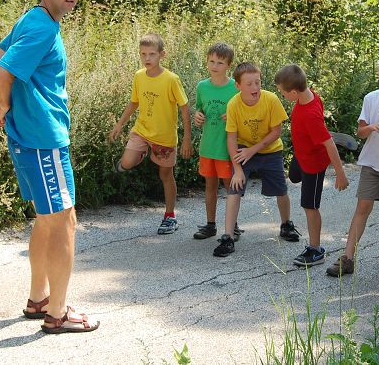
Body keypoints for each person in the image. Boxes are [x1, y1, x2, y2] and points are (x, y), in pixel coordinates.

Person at [0, 0, 99, 334]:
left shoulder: (34, 19)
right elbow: (2, 69)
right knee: (65, 221)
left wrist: (7, 106)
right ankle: (58, 313)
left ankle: (39, 299)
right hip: (43, 140)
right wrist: (3, 104)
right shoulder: (41, 27)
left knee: (46, 218)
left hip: (31, 138)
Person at [326, 52, 379, 277]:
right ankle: (348, 257)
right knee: (363, 206)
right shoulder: (372, 98)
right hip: (372, 162)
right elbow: (360, 132)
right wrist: (372, 127)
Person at [213, 62, 301, 257]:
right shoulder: (233, 104)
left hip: (270, 150)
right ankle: (228, 237)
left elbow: (276, 132)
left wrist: (252, 151)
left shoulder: (271, 99)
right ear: (238, 86)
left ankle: (286, 225)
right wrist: (237, 170)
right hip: (243, 149)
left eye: (257, 82)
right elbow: (231, 138)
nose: (255, 87)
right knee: (234, 188)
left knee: (281, 190)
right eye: (249, 84)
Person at [109, 33, 192, 235]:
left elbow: (184, 108)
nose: (147, 58)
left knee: (165, 175)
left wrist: (187, 139)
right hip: (142, 131)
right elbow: (134, 102)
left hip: (164, 138)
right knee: (126, 162)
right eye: (143, 54)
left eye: (152, 54)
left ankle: (170, 217)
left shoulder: (171, 79)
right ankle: (139, 153)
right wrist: (120, 124)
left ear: (162, 54)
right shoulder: (139, 76)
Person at [274, 64, 350, 267]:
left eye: (282, 92)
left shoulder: (310, 115)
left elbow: (329, 146)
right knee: (294, 176)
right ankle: (322, 136)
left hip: (314, 164)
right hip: (303, 154)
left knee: (310, 205)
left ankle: (316, 250)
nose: (282, 95)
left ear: (293, 92)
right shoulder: (309, 96)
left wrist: (340, 174)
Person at [192, 42, 241, 240]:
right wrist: (197, 116)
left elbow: (245, 112)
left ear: (229, 65)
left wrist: (234, 117)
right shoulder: (202, 87)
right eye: (211, 61)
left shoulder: (235, 88)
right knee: (210, 186)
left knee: (230, 188)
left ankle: (233, 226)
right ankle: (210, 225)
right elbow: (199, 109)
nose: (215, 66)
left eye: (220, 62)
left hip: (227, 148)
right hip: (208, 147)